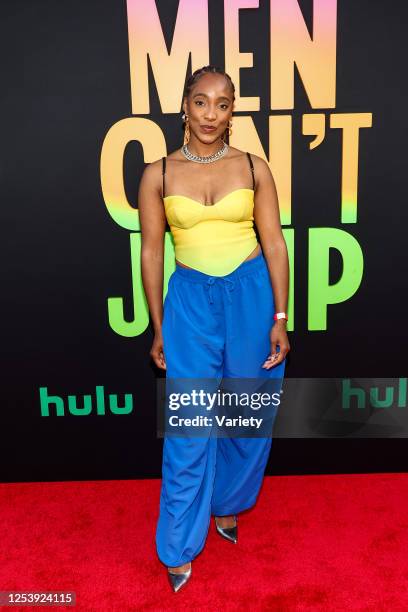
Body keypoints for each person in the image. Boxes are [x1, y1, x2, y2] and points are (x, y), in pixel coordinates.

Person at [138, 65, 290, 592]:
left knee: (249, 414)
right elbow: (153, 252)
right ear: (185, 105)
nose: (210, 114)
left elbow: (274, 242)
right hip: (190, 303)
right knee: (189, 426)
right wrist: (159, 328)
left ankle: (228, 503)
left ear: (233, 112)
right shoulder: (158, 172)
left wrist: (280, 317)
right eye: (201, 102)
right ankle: (177, 545)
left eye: (222, 104)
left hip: (250, 294)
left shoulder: (254, 167)